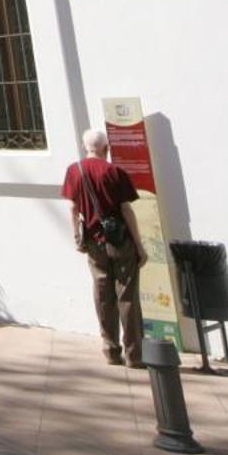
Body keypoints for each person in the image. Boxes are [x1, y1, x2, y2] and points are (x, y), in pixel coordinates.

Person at [62, 126, 146, 367]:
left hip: (94, 242)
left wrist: (77, 236)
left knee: (102, 294)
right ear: (105, 148)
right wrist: (139, 245)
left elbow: (72, 207)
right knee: (127, 295)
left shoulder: (73, 171)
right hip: (120, 241)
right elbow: (126, 210)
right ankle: (134, 354)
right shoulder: (114, 172)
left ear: (85, 146)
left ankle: (110, 349)